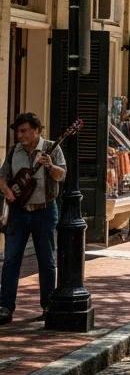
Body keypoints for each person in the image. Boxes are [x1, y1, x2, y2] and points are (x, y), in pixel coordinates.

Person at [0, 112, 66, 324]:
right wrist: (8, 192)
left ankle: (48, 305)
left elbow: (61, 175)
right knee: (11, 260)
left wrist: (49, 166)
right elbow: (3, 177)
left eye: (25, 131)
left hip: (44, 211)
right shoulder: (14, 152)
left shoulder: (51, 148)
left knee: (46, 260)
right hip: (19, 213)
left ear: (37, 130)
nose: (20, 135)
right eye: (18, 131)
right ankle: (5, 307)